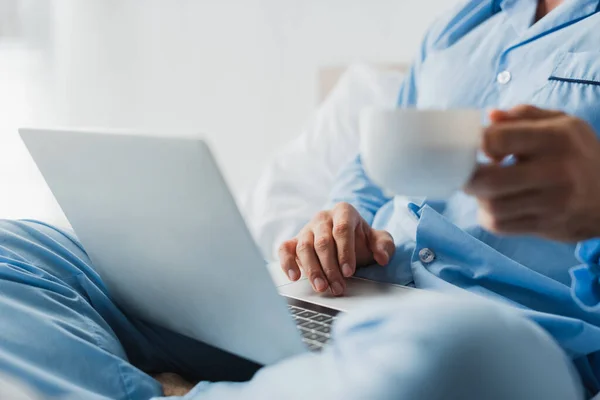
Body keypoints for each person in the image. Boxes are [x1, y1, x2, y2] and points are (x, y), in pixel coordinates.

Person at [1, 0, 600, 398]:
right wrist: (342, 219)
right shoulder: (464, 23)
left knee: (462, 357)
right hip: (341, 299)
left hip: (501, 339)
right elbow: (371, 164)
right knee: (17, 253)